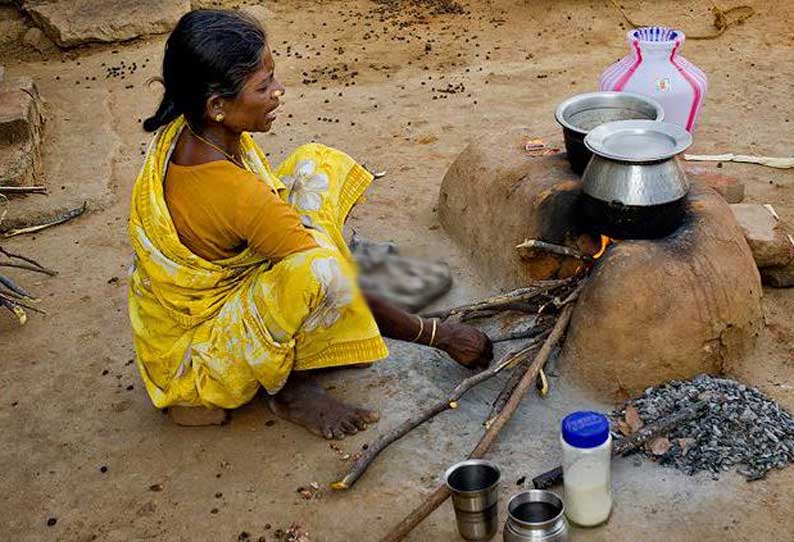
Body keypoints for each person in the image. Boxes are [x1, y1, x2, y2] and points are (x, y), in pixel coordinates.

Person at [129, 9, 492, 440]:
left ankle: (318, 323)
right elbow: (331, 279)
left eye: (273, 77)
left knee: (312, 166)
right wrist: (442, 334)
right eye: (264, 87)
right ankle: (290, 387)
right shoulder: (237, 195)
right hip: (199, 357)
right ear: (217, 106)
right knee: (321, 271)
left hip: (191, 302)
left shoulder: (188, 131)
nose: (279, 92)